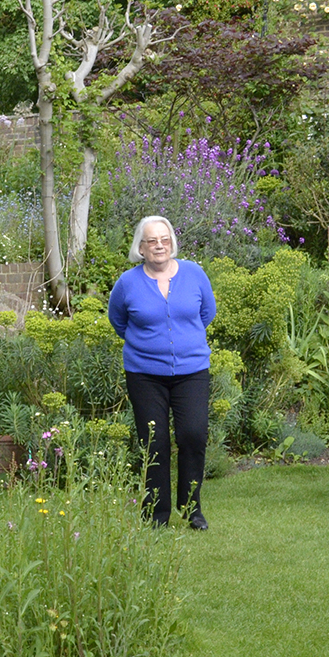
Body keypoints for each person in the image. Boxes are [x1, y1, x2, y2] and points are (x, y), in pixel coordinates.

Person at [108, 216, 217, 529]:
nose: (159, 245)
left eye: (164, 239)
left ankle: (192, 509)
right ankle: (155, 513)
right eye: (152, 241)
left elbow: (206, 313)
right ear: (141, 248)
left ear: (172, 242)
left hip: (192, 371)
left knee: (193, 435)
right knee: (154, 442)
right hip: (145, 375)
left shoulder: (194, 274)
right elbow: (118, 320)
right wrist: (148, 345)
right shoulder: (127, 283)